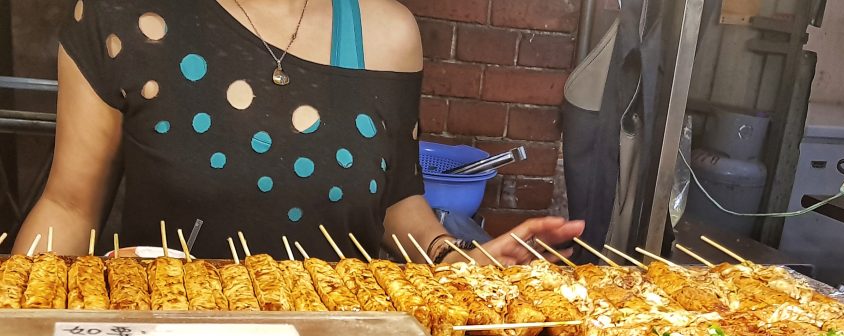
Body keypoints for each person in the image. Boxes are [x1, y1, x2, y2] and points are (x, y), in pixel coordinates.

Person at [13, 0, 584, 264]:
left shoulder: (386, 32)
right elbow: (69, 206)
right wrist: (20, 322)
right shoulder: (123, 18)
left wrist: (457, 261)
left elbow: (398, 200)